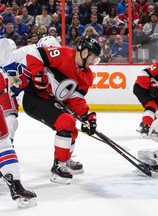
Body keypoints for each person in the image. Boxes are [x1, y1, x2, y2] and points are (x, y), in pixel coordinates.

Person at [22, 37, 101, 185]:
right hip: (35, 98)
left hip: (52, 100)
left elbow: (75, 99)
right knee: (67, 121)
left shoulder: (87, 76)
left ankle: (65, 158)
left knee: (72, 129)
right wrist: (38, 74)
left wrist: (87, 116)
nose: (93, 61)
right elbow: (35, 54)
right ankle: (59, 165)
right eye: (93, 57)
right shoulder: (63, 54)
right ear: (84, 52)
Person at [0, 51, 37, 209]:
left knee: (5, 143)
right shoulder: (10, 68)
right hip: (5, 111)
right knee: (5, 144)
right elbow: (17, 85)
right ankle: (15, 185)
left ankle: (15, 184)